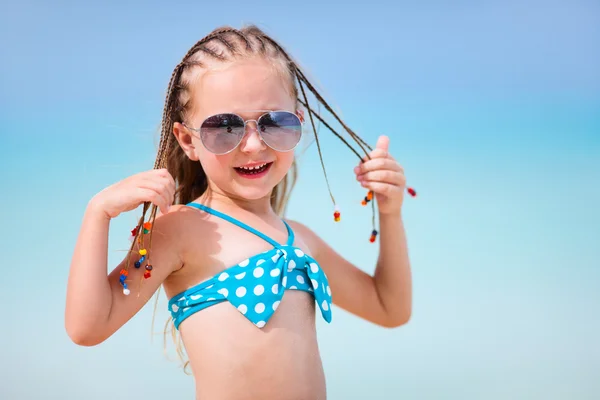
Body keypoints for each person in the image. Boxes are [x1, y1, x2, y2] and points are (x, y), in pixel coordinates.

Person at [65, 24, 414, 400]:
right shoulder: (180, 231)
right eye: (224, 127)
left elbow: (388, 307)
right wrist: (97, 214)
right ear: (188, 140)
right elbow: (88, 327)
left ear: (297, 123)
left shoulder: (300, 240)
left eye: (274, 123)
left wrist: (390, 213)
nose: (252, 145)